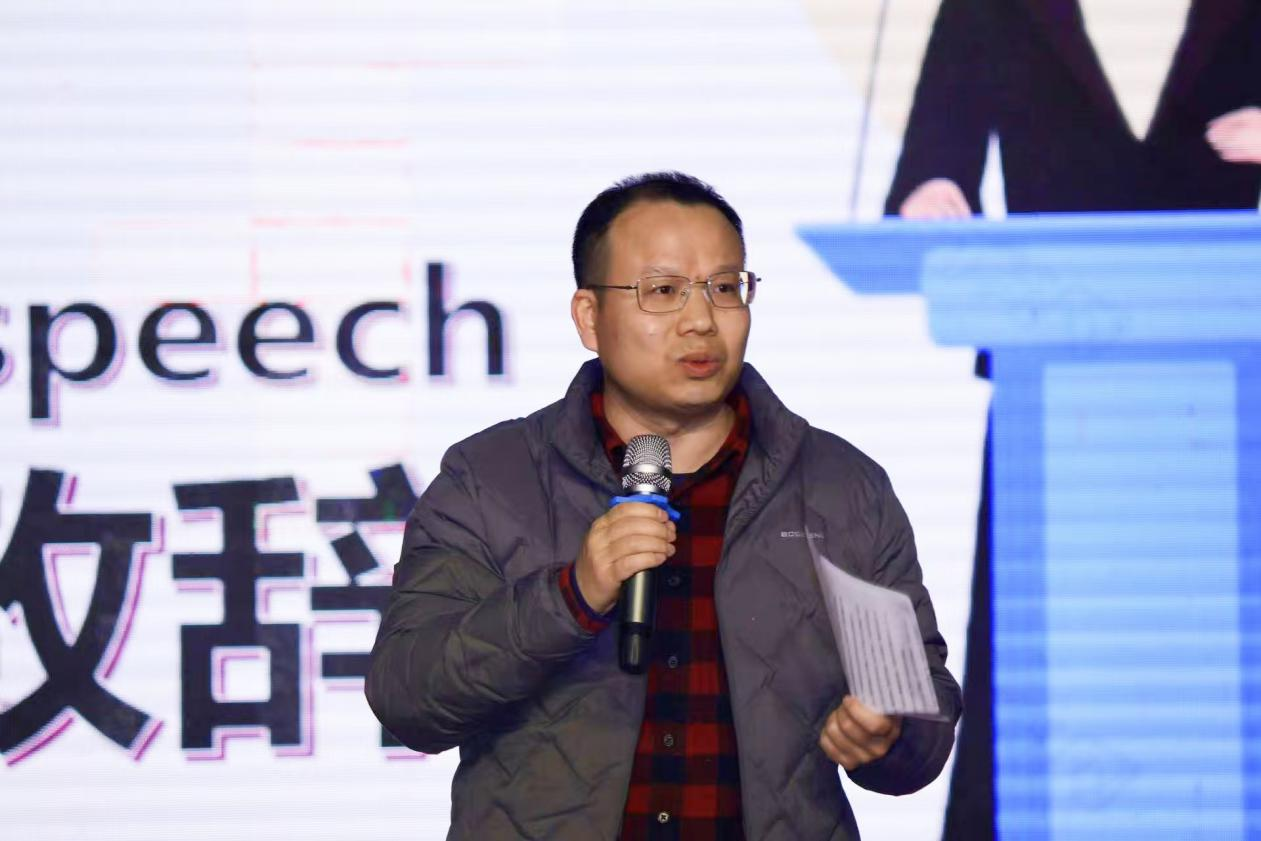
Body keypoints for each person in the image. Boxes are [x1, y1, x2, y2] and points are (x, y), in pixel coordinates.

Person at [367, 172, 961, 840]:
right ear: (589, 317)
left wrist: (891, 734)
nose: (701, 319)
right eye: (663, 291)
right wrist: (570, 594)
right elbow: (407, 698)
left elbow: (925, 707)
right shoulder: (491, 479)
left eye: (725, 288)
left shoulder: (839, 487)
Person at [884, 4, 1261, 838]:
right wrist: (929, 189)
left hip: (1226, 374)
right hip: (1050, 373)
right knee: (1032, 661)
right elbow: (933, 155)